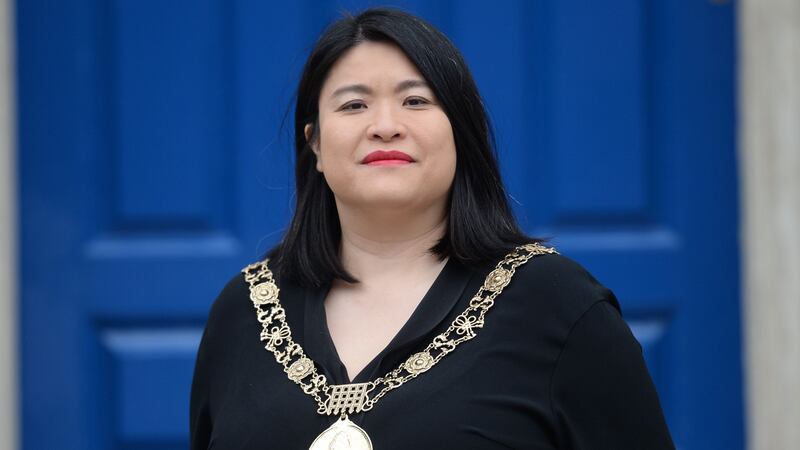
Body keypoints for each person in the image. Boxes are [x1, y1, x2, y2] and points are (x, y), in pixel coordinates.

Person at [190, 7, 675, 450]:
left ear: (460, 132)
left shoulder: (560, 306)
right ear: (314, 145)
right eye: (353, 105)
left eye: (416, 101)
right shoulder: (243, 312)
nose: (384, 125)